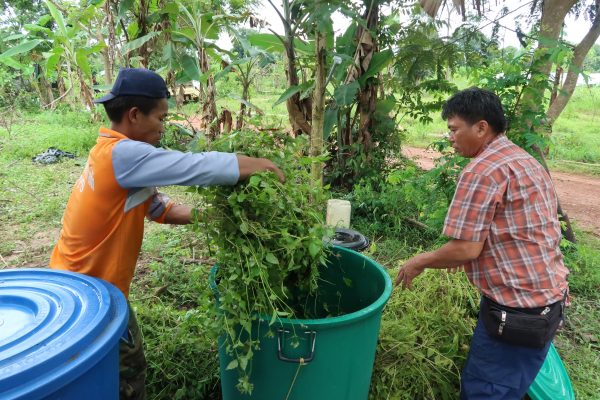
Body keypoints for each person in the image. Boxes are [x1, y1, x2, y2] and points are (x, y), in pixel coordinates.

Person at [49, 68, 285, 400]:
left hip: (78, 282)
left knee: (97, 371)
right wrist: (257, 164)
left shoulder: (114, 153)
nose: (163, 127)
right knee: (125, 372)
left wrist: (215, 217)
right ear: (134, 115)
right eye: (161, 118)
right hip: (89, 294)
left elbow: (158, 208)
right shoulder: (123, 154)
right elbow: (195, 167)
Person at [395, 88, 569, 399]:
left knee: (485, 391)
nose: (450, 137)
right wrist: (465, 259)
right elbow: (516, 229)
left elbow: (466, 247)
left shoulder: (482, 170)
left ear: (481, 127)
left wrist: (420, 260)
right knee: (513, 385)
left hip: (515, 313)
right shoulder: (524, 159)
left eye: (453, 129)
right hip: (548, 302)